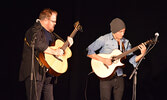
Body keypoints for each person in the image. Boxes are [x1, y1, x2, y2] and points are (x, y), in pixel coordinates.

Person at [19, 8, 73, 100]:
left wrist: (67, 45)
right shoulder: (33, 30)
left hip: (48, 74)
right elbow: (38, 44)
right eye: (53, 21)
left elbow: (57, 51)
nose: (55, 23)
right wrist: (55, 51)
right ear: (45, 20)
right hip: (35, 73)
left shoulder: (52, 35)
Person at [87, 18, 146, 100]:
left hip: (119, 76)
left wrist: (142, 54)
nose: (122, 34)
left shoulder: (126, 42)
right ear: (114, 31)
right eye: (120, 31)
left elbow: (131, 59)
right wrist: (104, 60)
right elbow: (89, 51)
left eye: (124, 31)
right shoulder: (104, 39)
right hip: (105, 77)